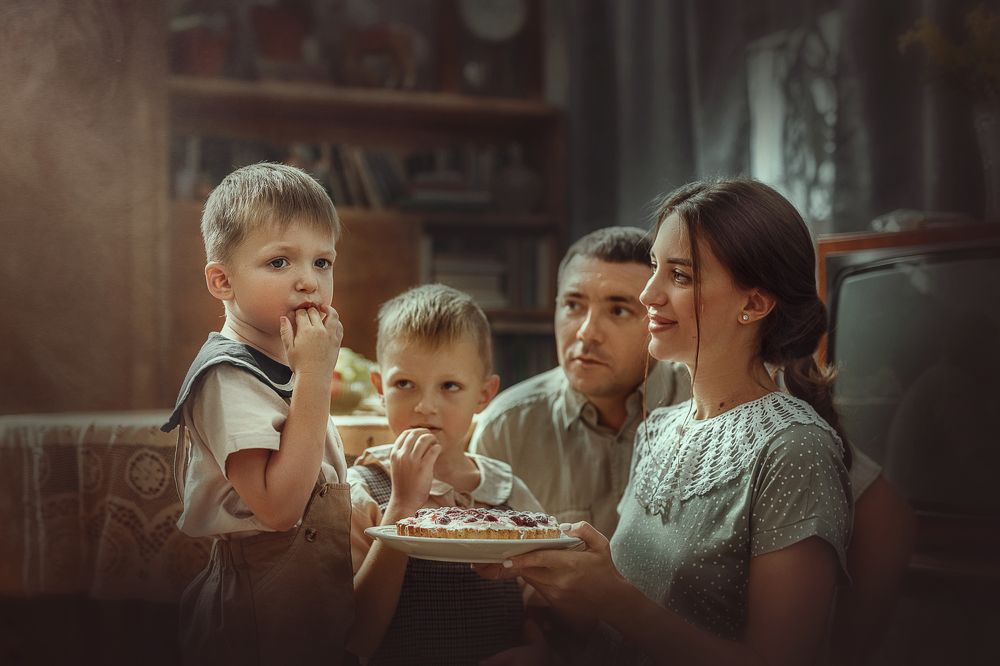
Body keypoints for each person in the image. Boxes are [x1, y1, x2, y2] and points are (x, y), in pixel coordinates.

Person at [477, 178, 895, 665]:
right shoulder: (659, 428)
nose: (649, 295)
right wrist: (562, 588)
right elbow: (635, 629)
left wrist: (612, 596)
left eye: (680, 276)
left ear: (754, 304)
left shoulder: (794, 448)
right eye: (656, 266)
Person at [162, 163, 354, 665]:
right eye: (279, 263)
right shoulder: (227, 375)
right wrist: (315, 375)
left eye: (322, 262)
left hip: (310, 595)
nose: (309, 282)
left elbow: (313, 465)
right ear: (222, 280)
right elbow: (278, 508)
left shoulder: (287, 362)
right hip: (257, 607)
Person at [348, 284, 547, 665]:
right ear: (379, 388)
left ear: (484, 395)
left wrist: (539, 647)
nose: (425, 406)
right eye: (404, 384)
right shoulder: (362, 492)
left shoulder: (510, 495)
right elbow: (353, 636)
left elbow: (539, 604)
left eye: (450, 386)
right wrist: (403, 506)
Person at [471, 227, 691, 537]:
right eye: (573, 306)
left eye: (618, 310)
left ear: (659, 318)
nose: (586, 332)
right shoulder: (507, 427)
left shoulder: (703, 407)